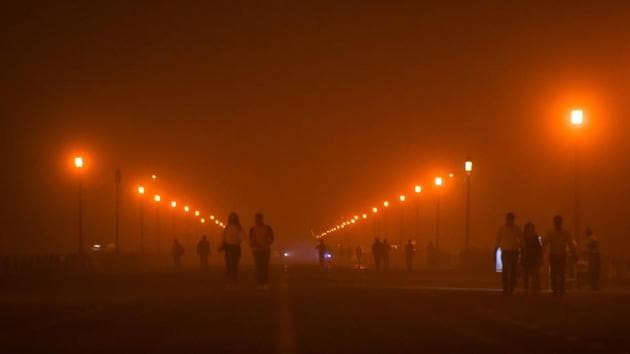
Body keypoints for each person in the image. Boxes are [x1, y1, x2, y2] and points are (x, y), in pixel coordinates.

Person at [544, 215, 577, 296]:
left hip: (561, 255)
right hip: (554, 255)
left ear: (561, 223)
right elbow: (545, 243)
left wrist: (574, 254)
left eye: (559, 222)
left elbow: (570, 244)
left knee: (561, 273)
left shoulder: (564, 233)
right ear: (554, 223)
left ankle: (560, 289)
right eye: (556, 222)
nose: (558, 223)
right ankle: (555, 289)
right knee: (555, 273)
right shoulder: (551, 232)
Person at [495, 212, 522, 295]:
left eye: (511, 219)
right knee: (506, 270)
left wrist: (521, 248)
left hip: (513, 251)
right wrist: (495, 250)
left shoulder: (516, 229)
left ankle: (511, 287)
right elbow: (498, 240)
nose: (510, 220)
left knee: (512, 270)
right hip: (506, 251)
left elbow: (521, 239)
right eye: (509, 219)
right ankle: (506, 287)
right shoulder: (502, 228)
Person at [249, 212, 274, 289]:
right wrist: (255, 244)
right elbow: (251, 239)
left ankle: (264, 282)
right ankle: (260, 283)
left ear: (261, 219)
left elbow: (271, 238)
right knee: (258, 267)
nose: (257, 220)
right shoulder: (252, 229)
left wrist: (267, 242)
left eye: (258, 218)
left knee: (264, 267)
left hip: (265, 250)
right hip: (257, 250)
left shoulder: (267, 228)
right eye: (256, 218)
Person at [220, 212, 246, 284]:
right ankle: (231, 278)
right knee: (229, 264)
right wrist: (221, 245)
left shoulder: (238, 228)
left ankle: (233, 278)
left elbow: (243, 237)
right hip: (229, 247)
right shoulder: (227, 227)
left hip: (235, 247)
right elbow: (223, 237)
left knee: (234, 264)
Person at [521, 222, 542, 294]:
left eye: (532, 228)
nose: (531, 229)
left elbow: (539, 248)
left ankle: (535, 289)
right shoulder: (523, 237)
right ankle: (526, 289)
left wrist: (540, 258)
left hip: (534, 258)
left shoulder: (536, 237)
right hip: (526, 258)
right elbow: (521, 248)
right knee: (526, 275)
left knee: (535, 275)